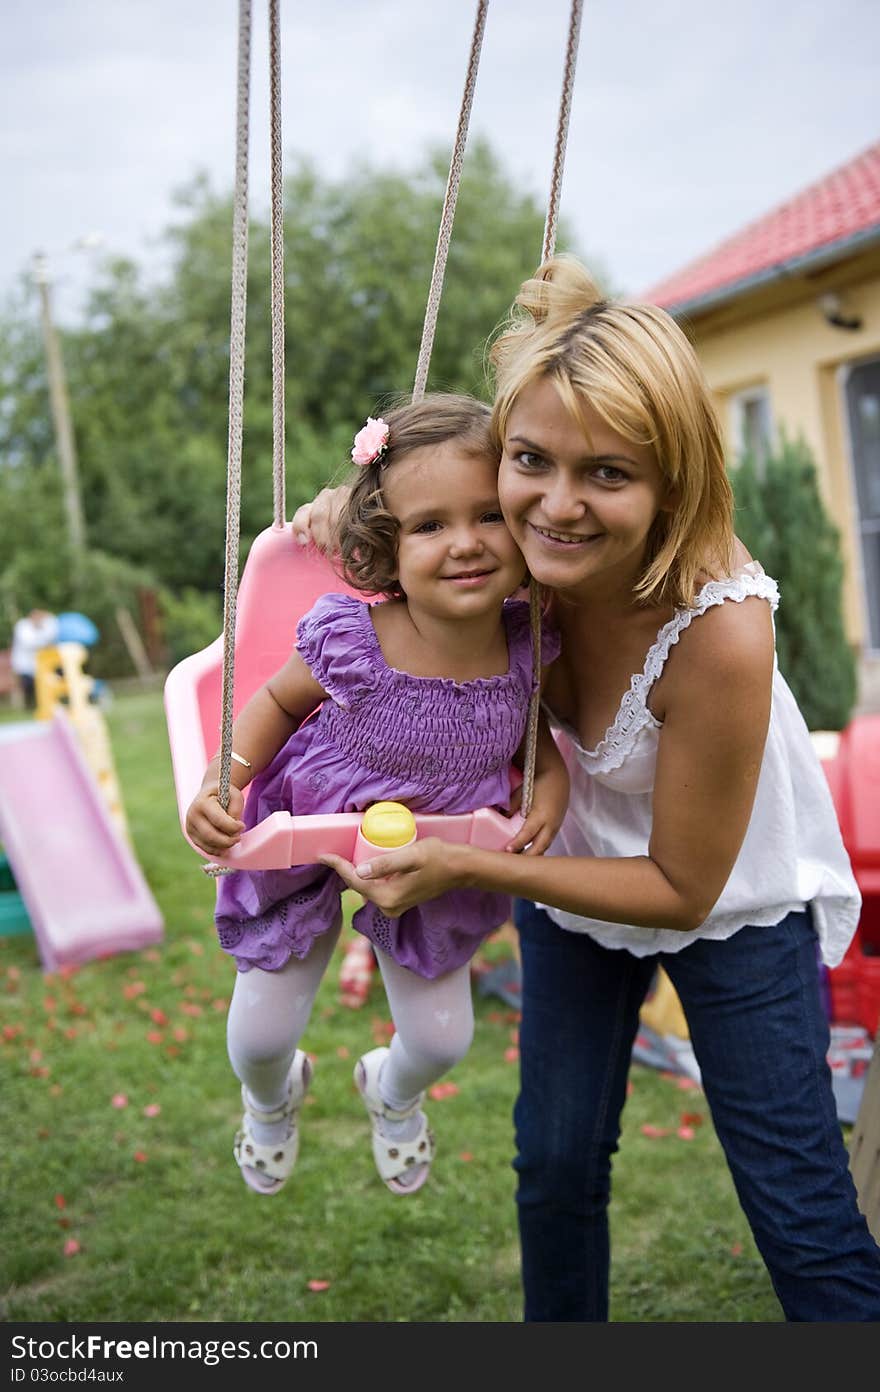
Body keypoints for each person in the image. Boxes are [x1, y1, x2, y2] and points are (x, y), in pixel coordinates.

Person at [302, 255, 880, 1321]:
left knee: (795, 1200)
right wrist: (358, 510)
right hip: (578, 877)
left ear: (673, 483)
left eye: (608, 475)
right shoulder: (518, 545)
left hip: (726, 900)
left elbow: (683, 889)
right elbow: (427, 532)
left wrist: (466, 865)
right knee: (555, 1163)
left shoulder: (719, 632)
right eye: (529, 461)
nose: (557, 507)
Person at [185, 393, 568, 1198]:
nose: (464, 544)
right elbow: (278, 702)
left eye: (487, 517)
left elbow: (540, 733)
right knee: (259, 1033)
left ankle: (390, 1094)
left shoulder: (529, 640)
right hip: (311, 823)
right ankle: (270, 1097)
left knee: (440, 1040)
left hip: (437, 849)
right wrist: (228, 776)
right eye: (429, 526)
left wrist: (549, 788)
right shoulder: (352, 635)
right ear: (386, 549)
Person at [10, 607, 58, 710]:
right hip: (24, 664)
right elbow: (28, 643)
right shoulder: (23, 626)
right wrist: (44, 643)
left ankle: (42, 705)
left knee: (42, 684)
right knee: (28, 686)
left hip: (38, 664)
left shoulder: (43, 626)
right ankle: (29, 706)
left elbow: (52, 628)